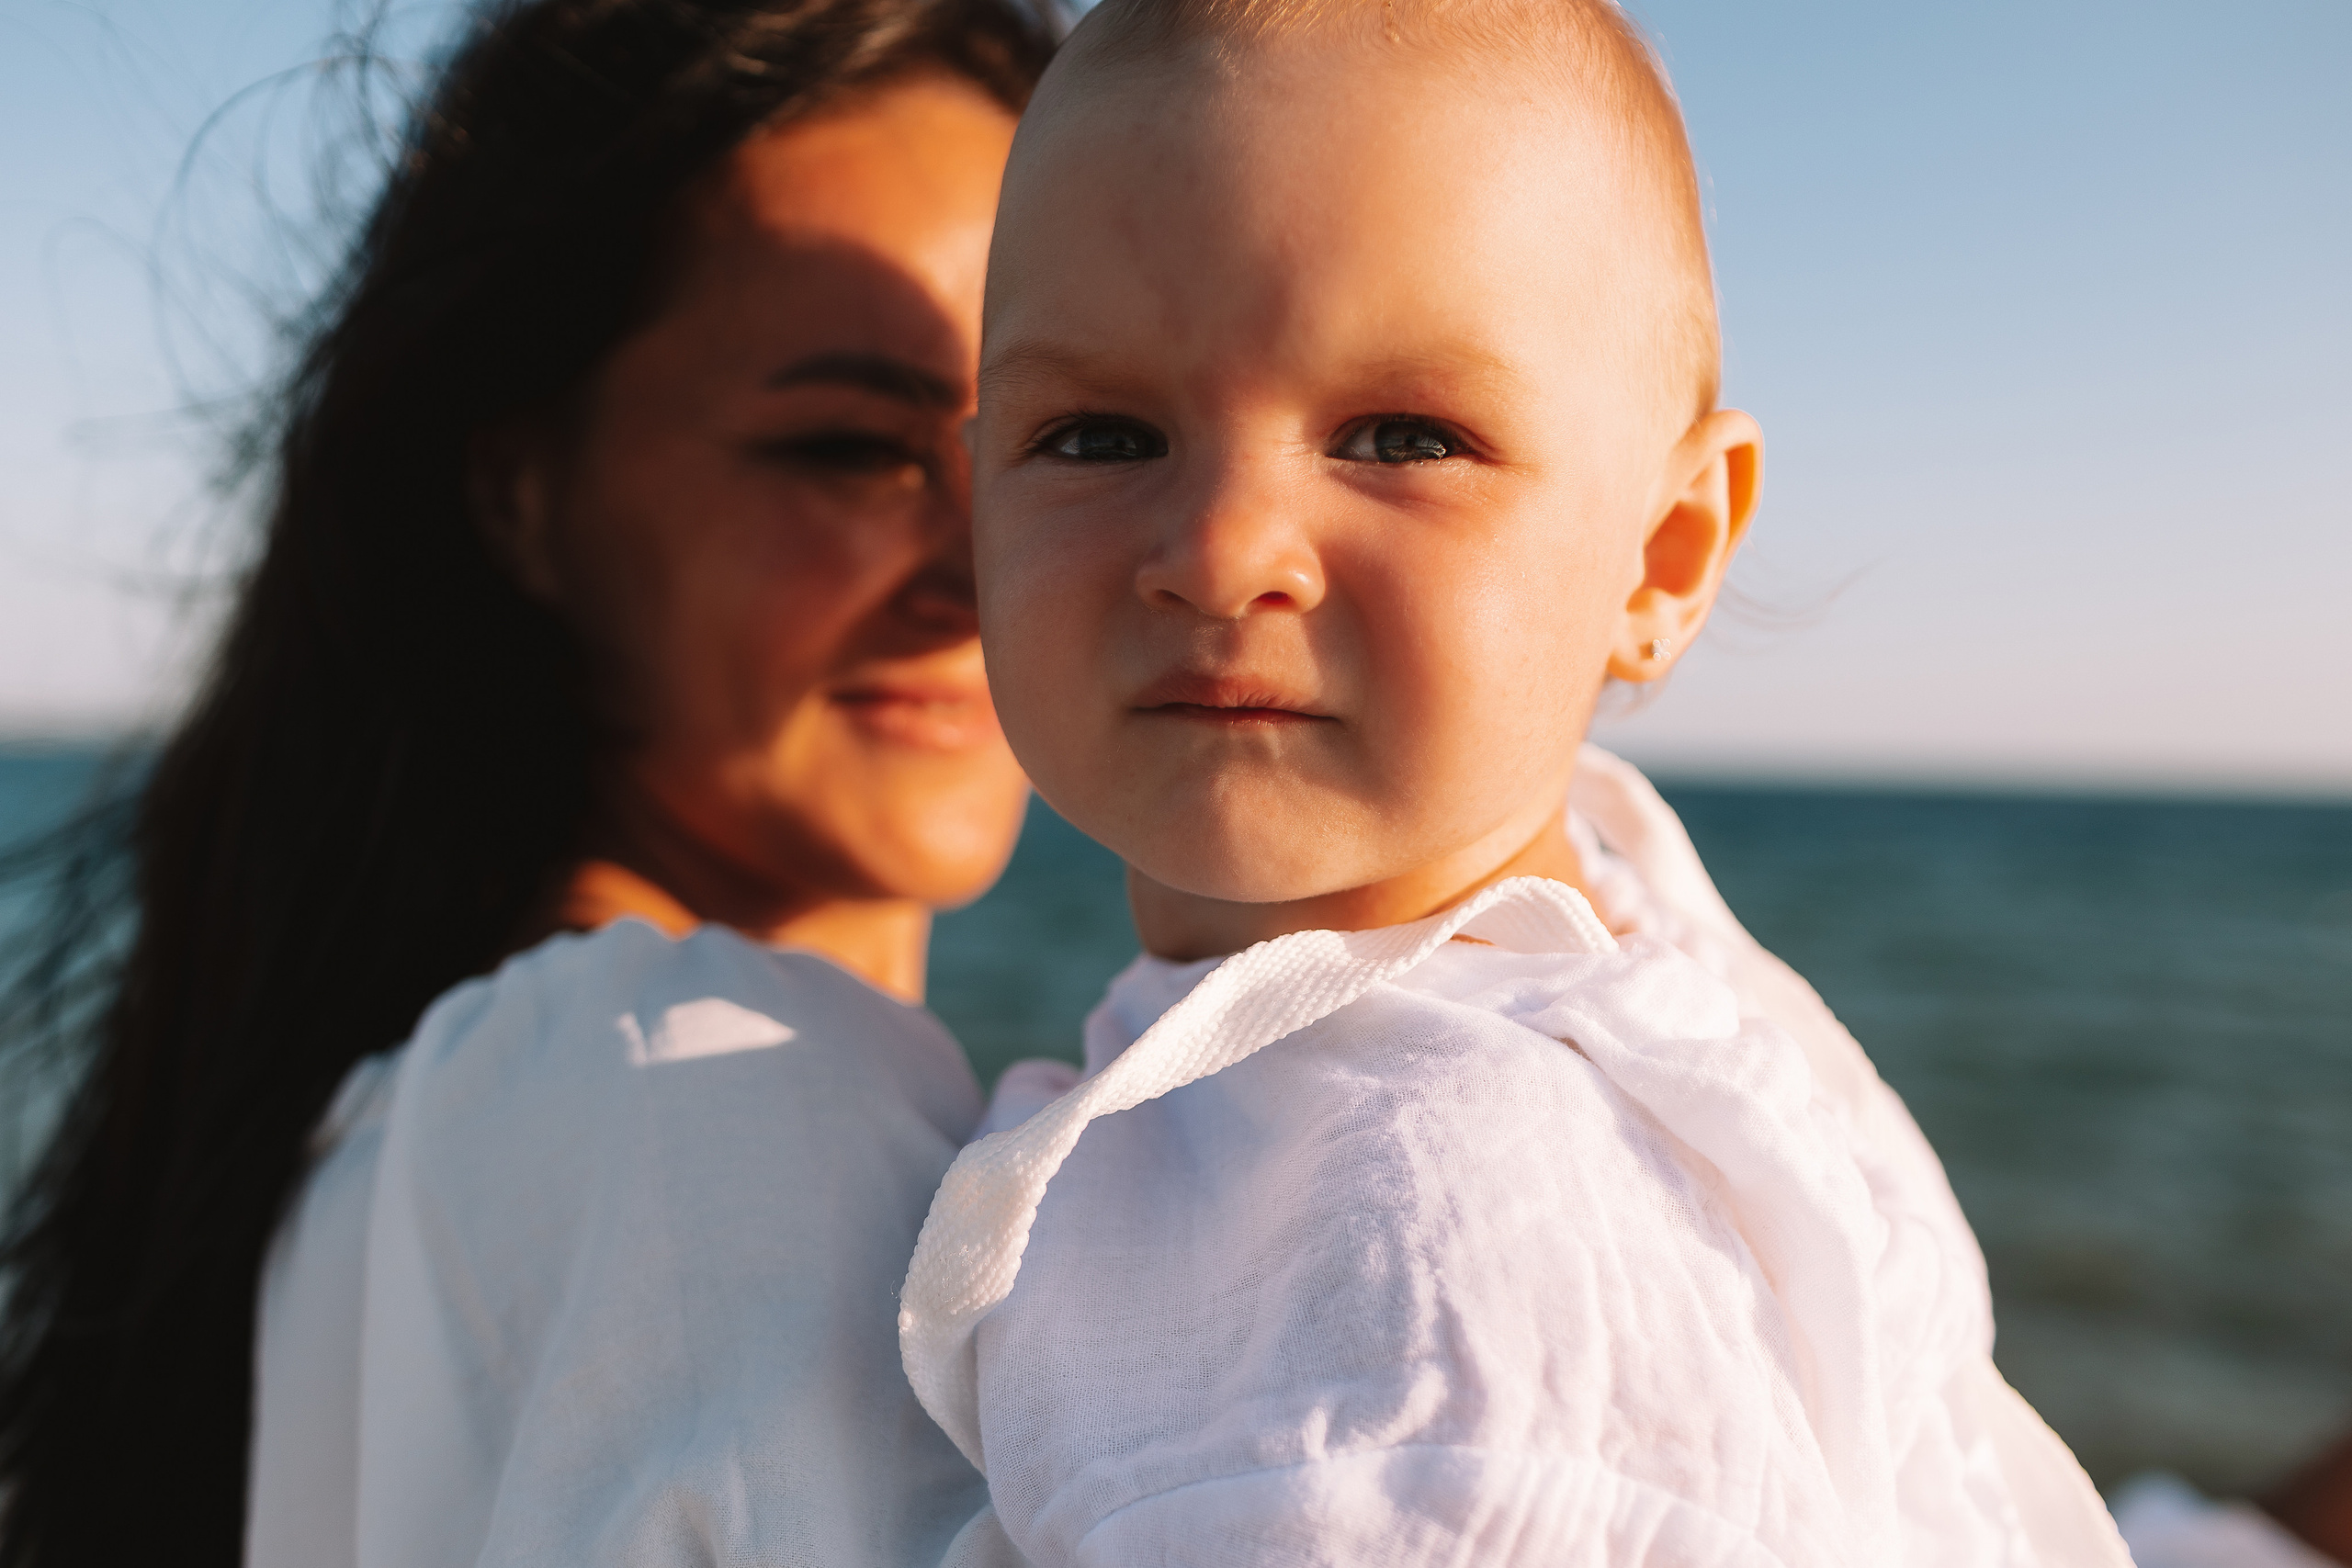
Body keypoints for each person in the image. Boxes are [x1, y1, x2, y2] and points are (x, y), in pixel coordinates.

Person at [893, 0, 2135, 1562]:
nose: (1219, 552)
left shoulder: (1413, 1285)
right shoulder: (1618, 926)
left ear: (1666, 552)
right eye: (1097, 435)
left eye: (1402, 435)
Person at [0, 1, 1053, 1564]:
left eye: (1071, 439)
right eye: (848, 447)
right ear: (522, 490)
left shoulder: (446, 1122)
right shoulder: (709, 1111)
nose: (988, 572)